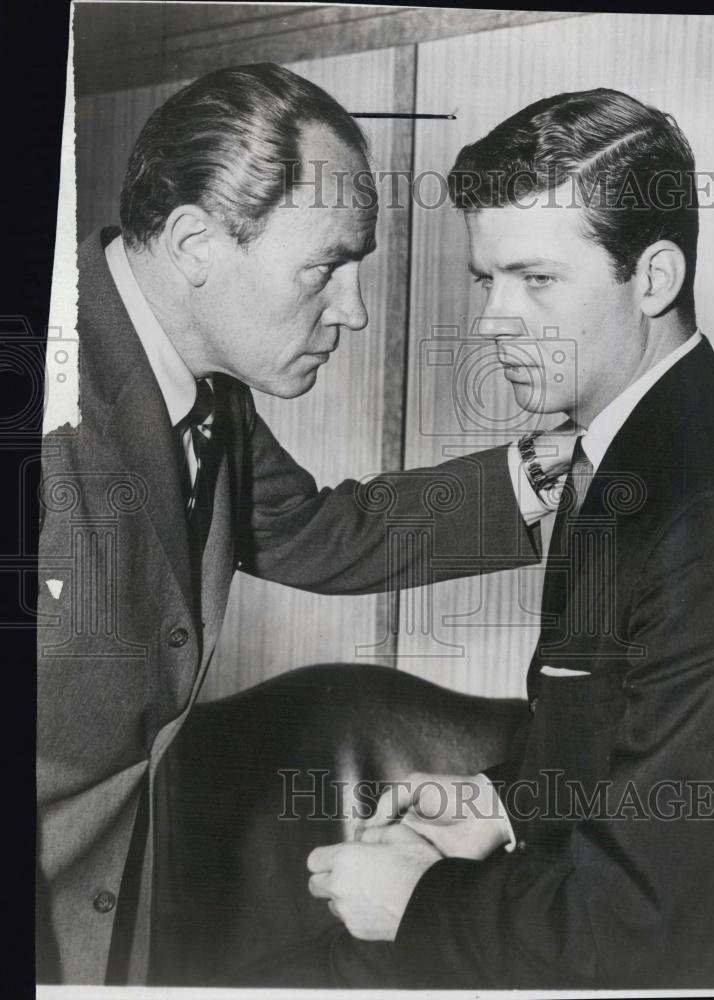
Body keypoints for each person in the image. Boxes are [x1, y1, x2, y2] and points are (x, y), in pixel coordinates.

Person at [36, 63, 568, 985]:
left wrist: (537, 471)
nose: (352, 311)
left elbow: (315, 530)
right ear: (197, 241)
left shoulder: (205, 391)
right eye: (325, 267)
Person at [306, 88, 714, 990]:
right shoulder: (635, 449)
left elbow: (652, 926)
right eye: (489, 280)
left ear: (653, 279)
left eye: (538, 279)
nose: (491, 319)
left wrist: (415, 902)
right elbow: (625, 729)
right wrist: (503, 800)